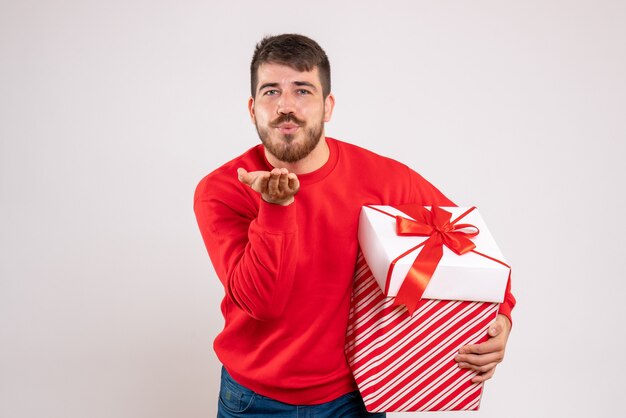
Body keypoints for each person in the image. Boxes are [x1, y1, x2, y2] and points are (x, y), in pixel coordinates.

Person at [194, 34, 516, 418]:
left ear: (327, 106)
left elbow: (468, 240)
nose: (285, 106)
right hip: (253, 401)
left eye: (302, 90)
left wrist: (502, 316)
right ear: (252, 108)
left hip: (355, 398)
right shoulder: (222, 189)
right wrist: (275, 207)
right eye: (270, 92)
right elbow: (263, 303)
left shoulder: (384, 180)